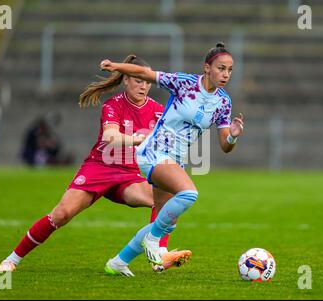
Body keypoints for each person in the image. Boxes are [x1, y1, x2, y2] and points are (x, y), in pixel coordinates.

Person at [0, 55, 192, 276]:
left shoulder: (158, 111)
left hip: (128, 175)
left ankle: (155, 255)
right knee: (61, 214)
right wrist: (137, 139)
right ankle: (12, 259)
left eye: (147, 81)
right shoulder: (114, 105)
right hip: (99, 168)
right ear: (126, 80)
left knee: (166, 201)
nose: (144, 85)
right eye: (138, 80)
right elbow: (111, 137)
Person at [100, 43, 245, 274]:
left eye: (229, 70)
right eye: (221, 68)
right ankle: (153, 242)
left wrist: (234, 137)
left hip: (175, 160)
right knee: (189, 194)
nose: (225, 74)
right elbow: (145, 73)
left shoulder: (223, 103)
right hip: (154, 151)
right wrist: (115, 66)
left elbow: (225, 145)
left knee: (165, 219)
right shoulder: (184, 83)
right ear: (207, 68)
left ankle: (118, 262)